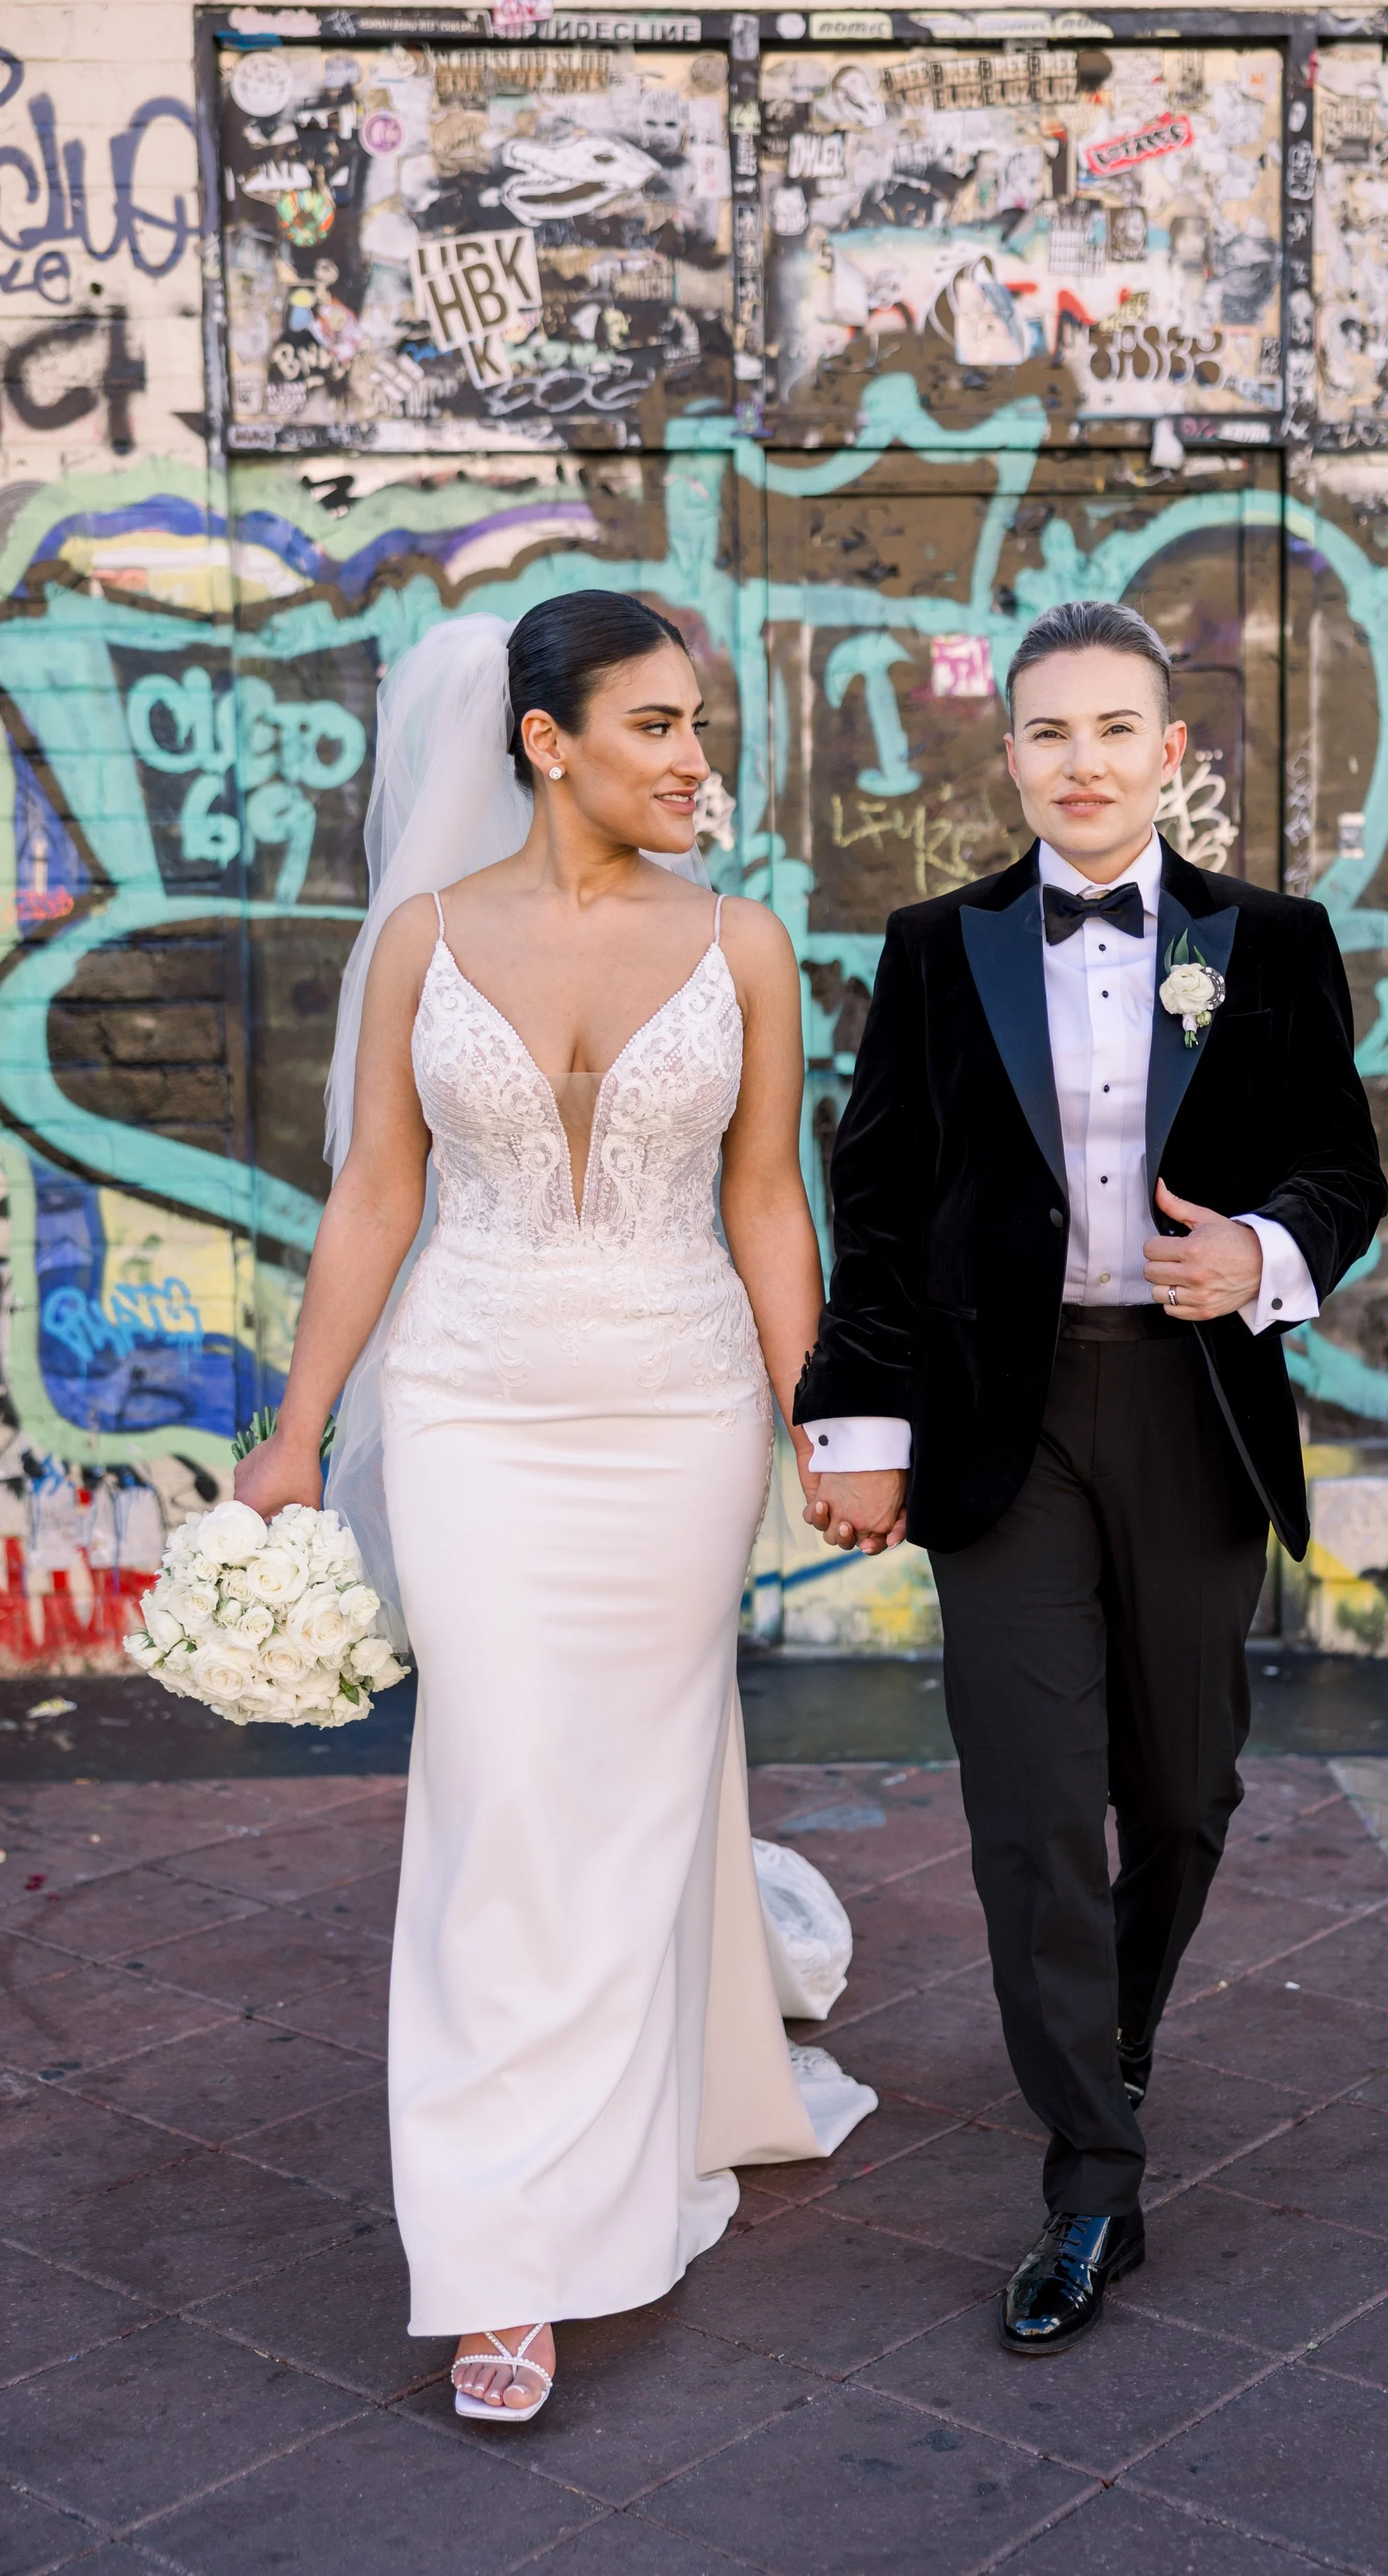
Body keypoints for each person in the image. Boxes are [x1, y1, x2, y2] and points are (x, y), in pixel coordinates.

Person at [236, 595, 874, 2423]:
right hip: (470, 1404)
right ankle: (499, 2251)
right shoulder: (422, 942)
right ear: (544, 740)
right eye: (658, 724)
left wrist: (814, 1418)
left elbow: (765, 1201)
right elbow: (370, 1196)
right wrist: (298, 1432)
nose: (696, 759)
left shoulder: (741, 942)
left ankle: (618, 2154)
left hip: (678, 1415)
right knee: (502, 1789)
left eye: (699, 725)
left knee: (639, 1788)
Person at [795, 599, 1387, 2355]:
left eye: (1113, 730)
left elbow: (1340, 1169)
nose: (1080, 762)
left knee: (1182, 1796)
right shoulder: (931, 946)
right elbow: (880, 1205)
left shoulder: (1267, 941)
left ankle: (1099, 2033)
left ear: (1168, 752)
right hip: (1007, 1423)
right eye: (1047, 734)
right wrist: (861, 1422)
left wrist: (1266, 1255)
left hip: (1192, 1414)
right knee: (1034, 1809)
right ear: (1011, 757)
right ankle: (1089, 2178)